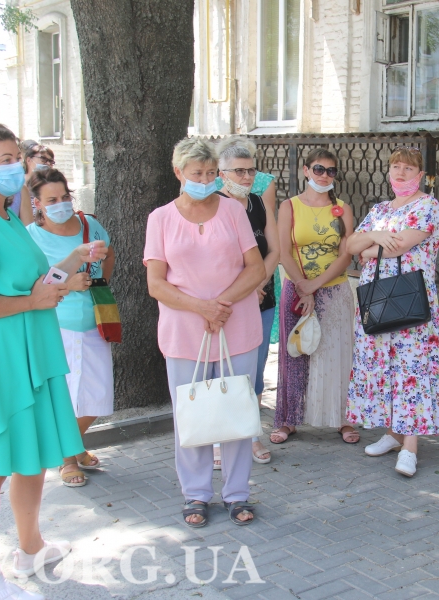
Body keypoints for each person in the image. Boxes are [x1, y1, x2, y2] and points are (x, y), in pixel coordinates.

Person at [0, 122, 107, 599]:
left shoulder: (6, 217)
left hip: (29, 351)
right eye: (5, 160)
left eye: (17, 159)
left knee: (30, 460)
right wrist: (32, 302)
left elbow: (34, 284)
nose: (17, 168)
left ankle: (31, 549)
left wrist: (72, 262)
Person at [144, 136, 266, 527]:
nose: (205, 180)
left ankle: (237, 493)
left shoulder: (232, 211)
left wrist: (220, 305)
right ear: (178, 172)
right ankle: (195, 494)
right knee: (190, 414)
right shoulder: (160, 218)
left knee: (237, 411)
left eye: (211, 173)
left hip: (236, 325)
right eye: (197, 173)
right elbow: (156, 283)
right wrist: (202, 308)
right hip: (184, 331)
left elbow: (256, 268)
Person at [345, 146, 439, 477]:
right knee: (383, 364)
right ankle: (392, 433)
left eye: (408, 168)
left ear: (420, 175)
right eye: (396, 167)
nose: (401, 173)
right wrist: (374, 236)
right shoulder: (379, 210)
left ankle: (410, 447)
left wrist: (369, 249)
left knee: (411, 367)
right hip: (377, 297)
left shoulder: (427, 205)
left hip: (409, 297)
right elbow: (350, 245)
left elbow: (400, 245)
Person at [26, 168, 116, 487]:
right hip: (55, 325)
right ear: (37, 203)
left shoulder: (88, 225)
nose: (61, 204)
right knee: (64, 395)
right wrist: (69, 285)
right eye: (52, 200)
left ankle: (71, 445)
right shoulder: (30, 236)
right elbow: (34, 284)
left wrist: (97, 282)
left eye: (65, 196)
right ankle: (67, 458)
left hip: (95, 320)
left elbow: (108, 255)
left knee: (98, 393)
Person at [272, 149, 357, 445]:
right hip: (296, 290)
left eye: (331, 171)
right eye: (319, 169)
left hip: (334, 290)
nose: (324, 175)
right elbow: (283, 251)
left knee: (336, 355)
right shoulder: (289, 206)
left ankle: (343, 418)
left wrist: (314, 286)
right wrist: (301, 285)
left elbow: (346, 254)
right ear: (306, 170)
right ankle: (288, 419)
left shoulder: (343, 208)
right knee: (295, 354)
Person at [216, 137, 279, 465]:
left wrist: (258, 284)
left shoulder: (258, 203)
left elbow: (274, 250)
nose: (246, 177)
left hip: (261, 301)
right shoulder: (212, 205)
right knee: (223, 371)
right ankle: (218, 438)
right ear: (222, 174)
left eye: (251, 170)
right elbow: (212, 261)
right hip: (226, 305)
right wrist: (244, 290)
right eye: (238, 171)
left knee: (253, 372)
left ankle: (251, 436)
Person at [11, 140, 54, 225]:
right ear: (29, 160)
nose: (48, 163)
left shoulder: (51, 186)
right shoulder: (17, 184)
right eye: (43, 159)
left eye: (51, 161)